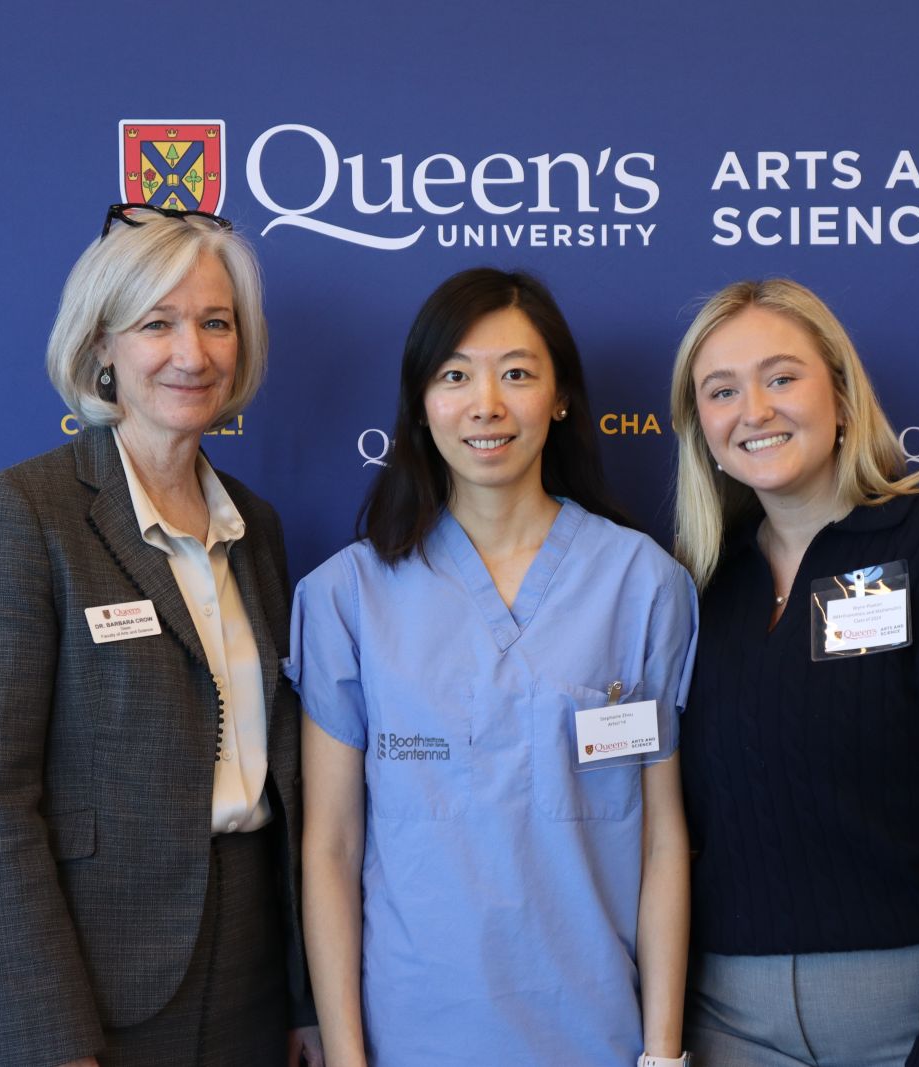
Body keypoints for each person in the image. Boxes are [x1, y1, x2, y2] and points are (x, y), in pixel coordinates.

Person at [670, 279, 919, 1067]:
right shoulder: (700, 590)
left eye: (781, 377)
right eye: (721, 391)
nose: (753, 410)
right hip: (736, 1024)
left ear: (843, 393)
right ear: (702, 429)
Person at [0, 204, 315, 1067]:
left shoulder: (255, 526)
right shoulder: (25, 512)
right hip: (86, 986)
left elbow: (284, 779)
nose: (194, 352)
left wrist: (304, 993)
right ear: (101, 346)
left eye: (216, 323)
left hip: (251, 974)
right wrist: (51, 1037)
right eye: (158, 324)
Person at [290, 267, 697, 1067]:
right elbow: (331, 847)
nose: (487, 404)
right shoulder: (346, 596)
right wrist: (346, 1056)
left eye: (517, 373)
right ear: (420, 404)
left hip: (597, 1032)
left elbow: (662, 841)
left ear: (562, 396)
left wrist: (661, 1052)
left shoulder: (642, 584)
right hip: (411, 1033)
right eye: (455, 376)